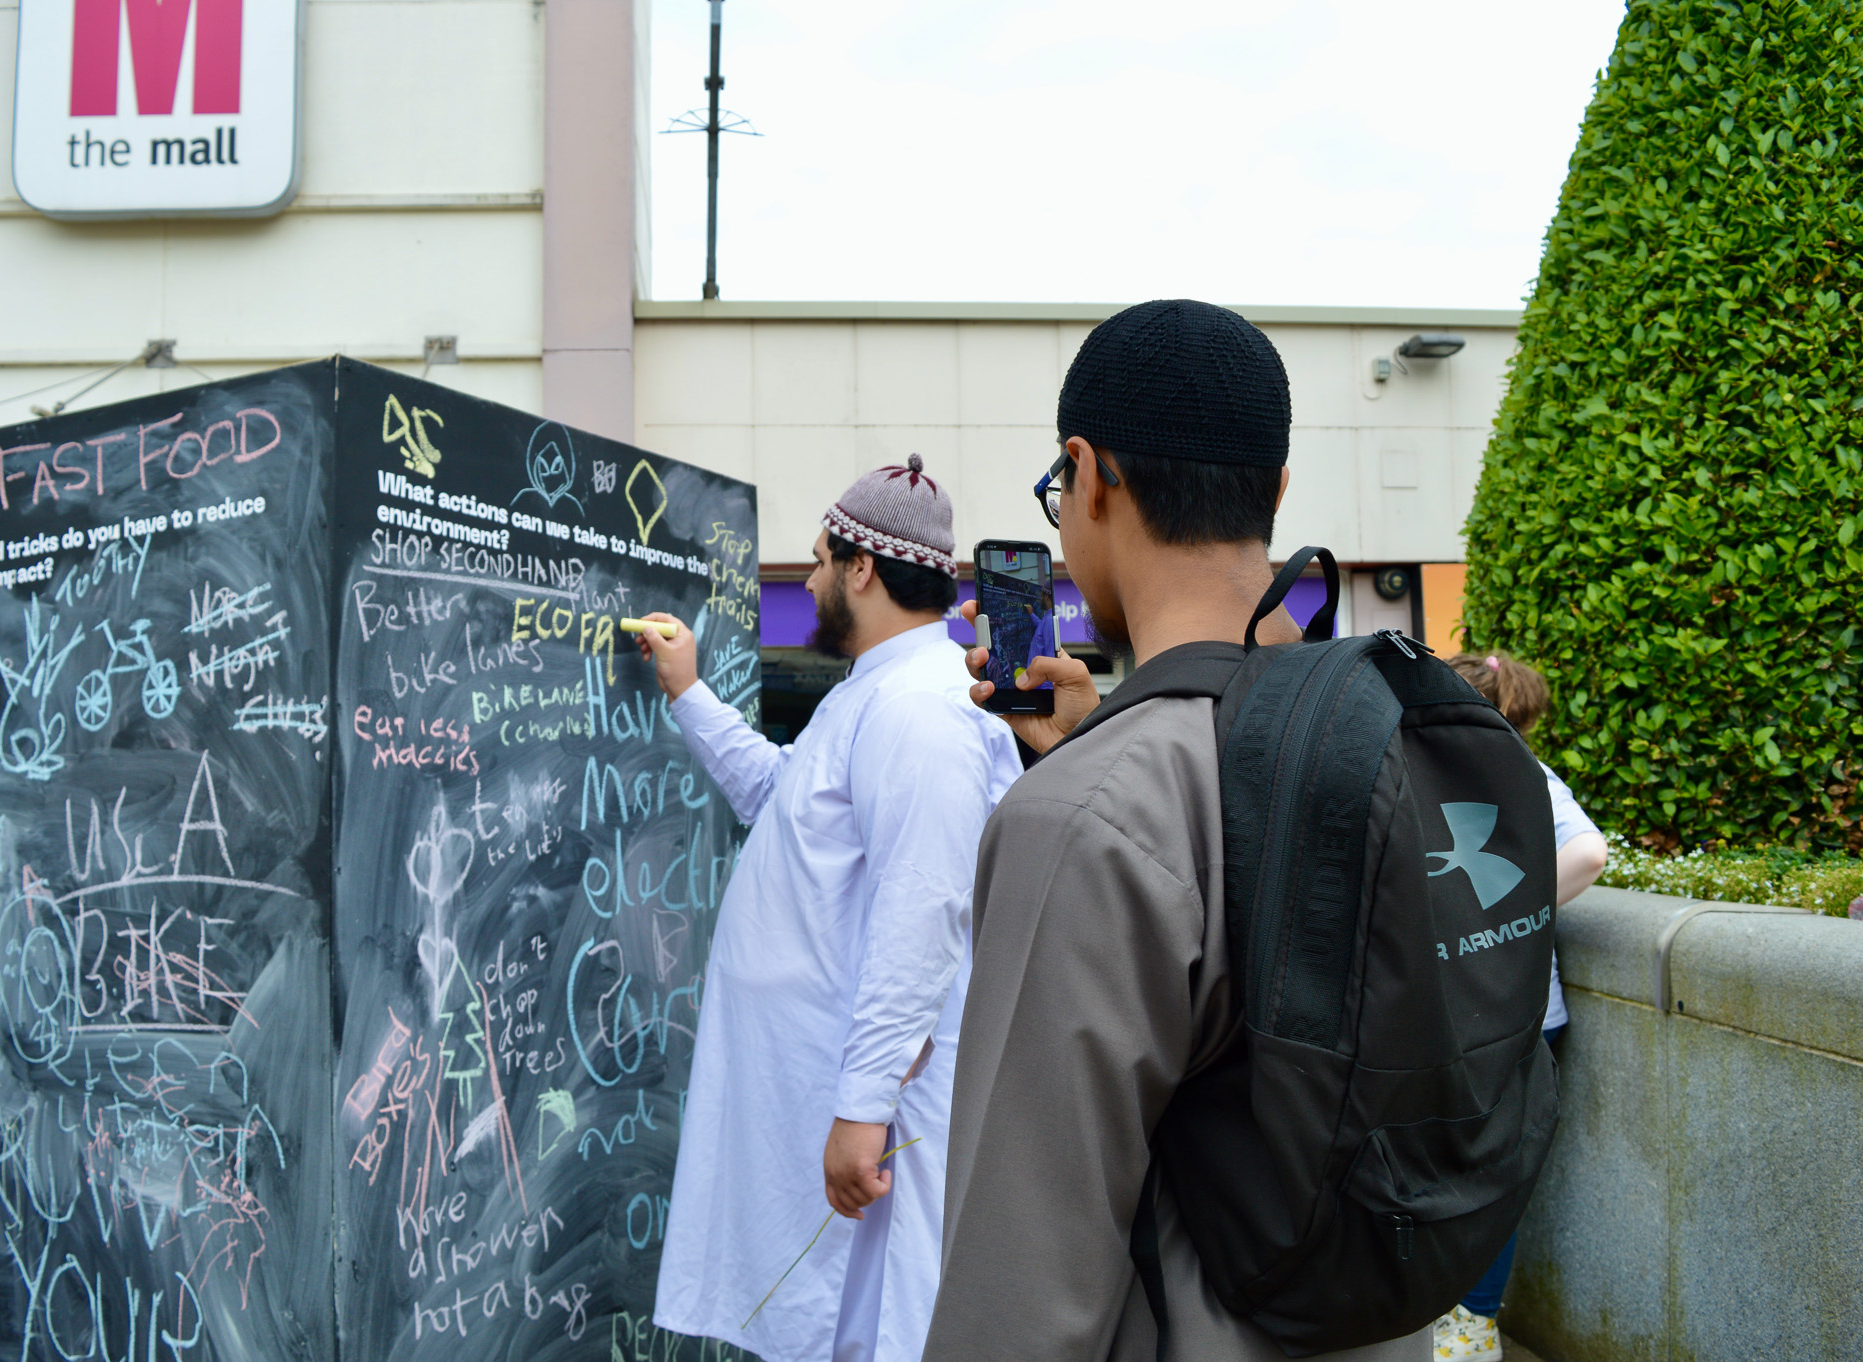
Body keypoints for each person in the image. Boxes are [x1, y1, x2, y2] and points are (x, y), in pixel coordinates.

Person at [922, 299, 1426, 1361]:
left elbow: (1019, 1284)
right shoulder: (1402, 740)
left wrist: (1098, 771)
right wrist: (1099, 740)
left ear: (1085, 472)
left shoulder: (1079, 819)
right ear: (1276, 492)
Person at [641, 454, 1022, 1362]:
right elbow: (784, 800)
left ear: (862, 568)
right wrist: (690, 695)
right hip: (826, 1093)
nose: (807, 580)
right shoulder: (872, 694)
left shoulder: (922, 710)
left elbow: (922, 912)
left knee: (885, 1327)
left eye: (818, 560)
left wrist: (862, 1106)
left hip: (874, 1112)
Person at [1432, 651, 1607, 1362]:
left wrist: (1486, 914)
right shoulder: (1491, 771)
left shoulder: (1517, 774)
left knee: (1483, 1173)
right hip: (1499, 1015)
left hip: (1505, 1018)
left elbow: (1589, 853)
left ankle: (1472, 1326)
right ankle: (1459, 1320)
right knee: (1475, 1170)